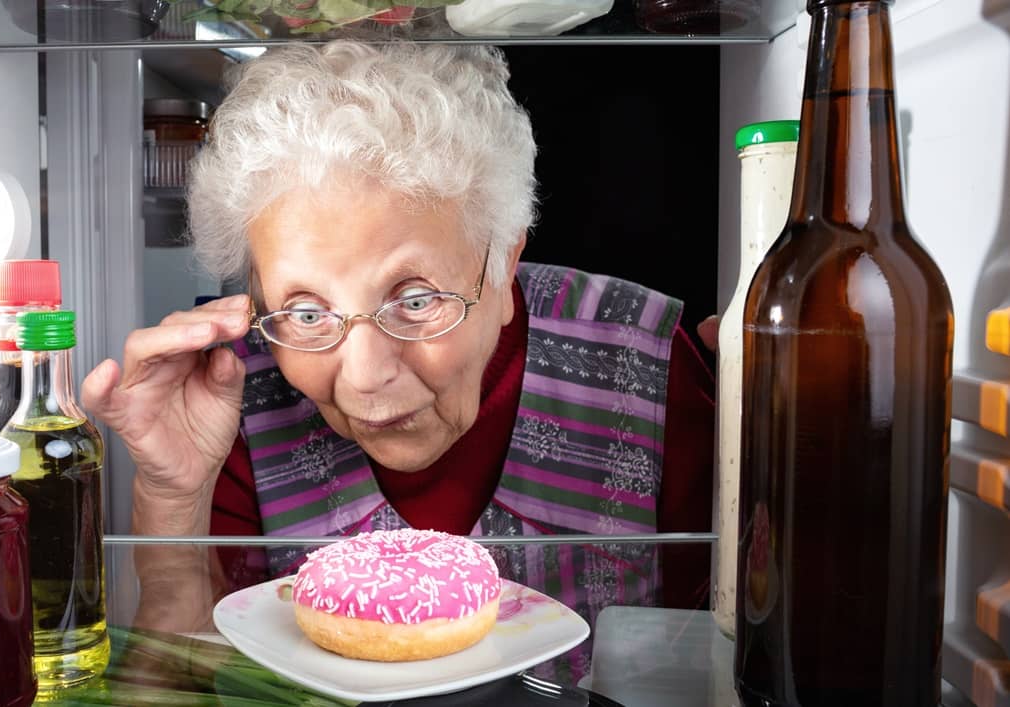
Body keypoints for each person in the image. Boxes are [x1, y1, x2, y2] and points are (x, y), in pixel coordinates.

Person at [83, 40, 714, 679]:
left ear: (503, 261)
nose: (364, 376)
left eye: (415, 300)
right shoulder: (234, 392)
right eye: (306, 312)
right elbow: (181, 684)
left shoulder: (648, 365)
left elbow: (721, 651)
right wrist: (173, 497)